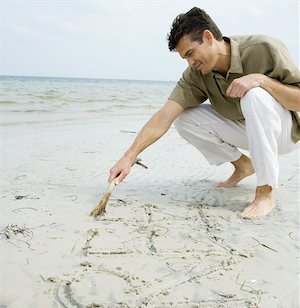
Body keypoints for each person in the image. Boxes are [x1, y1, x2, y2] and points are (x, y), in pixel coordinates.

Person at [108, 7, 300, 218]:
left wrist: (263, 81)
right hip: (248, 130)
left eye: (190, 53)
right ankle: (244, 165)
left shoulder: (264, 48)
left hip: (283, 132)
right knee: (185, 118)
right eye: (185, 59)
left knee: (255, 95)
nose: (190, 63)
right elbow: (164, 116)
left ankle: (265, 193)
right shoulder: (195, 74)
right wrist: (128, 157)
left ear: (208, 37)